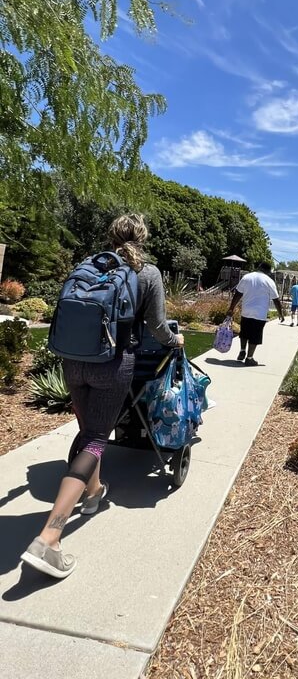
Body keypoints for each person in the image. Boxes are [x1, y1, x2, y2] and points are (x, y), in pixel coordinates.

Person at [21, 214, 184, 579]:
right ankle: (49, 537)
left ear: (110, 236)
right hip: (112, 365)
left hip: (72, 361)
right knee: (96, 439)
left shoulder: (90, 265)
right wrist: (175, 340)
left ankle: (93, 492)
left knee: (87, 431)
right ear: (142, 238)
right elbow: (158, 326)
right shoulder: (147, 273)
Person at [226, 261, 284, 366]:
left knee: (244, 332)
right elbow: (276, 300)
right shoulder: (269, 281)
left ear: (259, 267)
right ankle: (249, 358)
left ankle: (242, 350)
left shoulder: (247, 277)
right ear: (268, 271)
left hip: (246, 311)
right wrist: (280, 313)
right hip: (260, 314)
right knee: (255, 336)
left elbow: (237, 294)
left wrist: (231, 308)